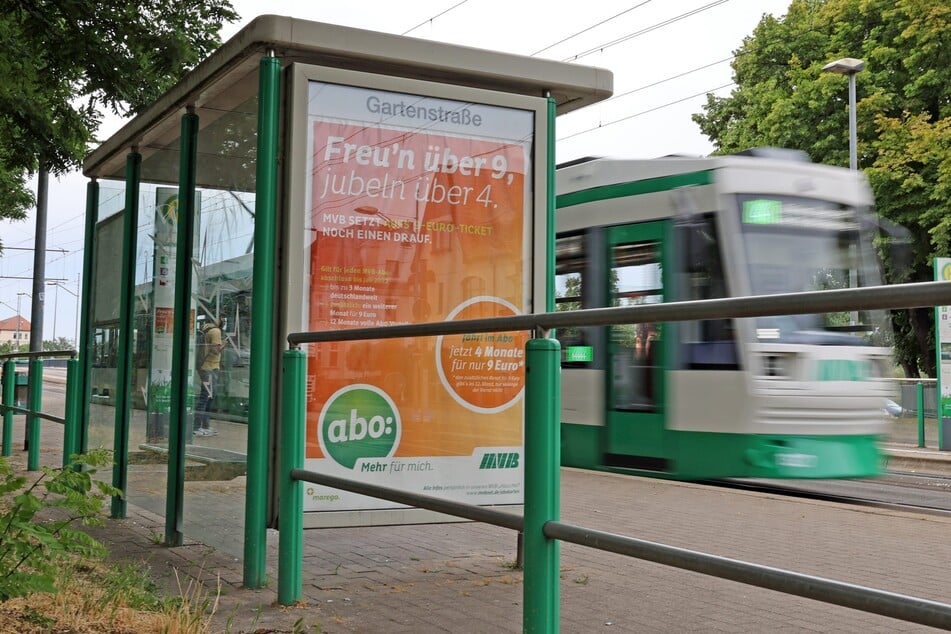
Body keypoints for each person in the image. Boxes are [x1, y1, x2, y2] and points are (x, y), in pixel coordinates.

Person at [194, 317, 223, 436]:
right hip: (210, 367)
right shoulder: (216, 331)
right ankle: (197, 426)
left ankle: (204, 425)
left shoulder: (206, 330)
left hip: (205, 366)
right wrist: (224, 345)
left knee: (208, 396)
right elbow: (215, 350)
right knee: (206, 397)